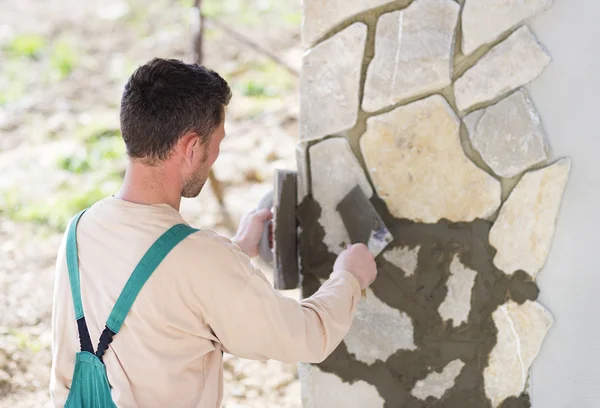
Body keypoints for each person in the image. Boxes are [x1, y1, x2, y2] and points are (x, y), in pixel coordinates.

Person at [49, 58, 378, 408]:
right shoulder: (199, 260)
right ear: (192, 147)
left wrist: (236, 250)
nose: (216, 155)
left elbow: (161, 292)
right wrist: (349, 277)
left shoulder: (80, 229)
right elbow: (307, 337)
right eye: (217, 142)